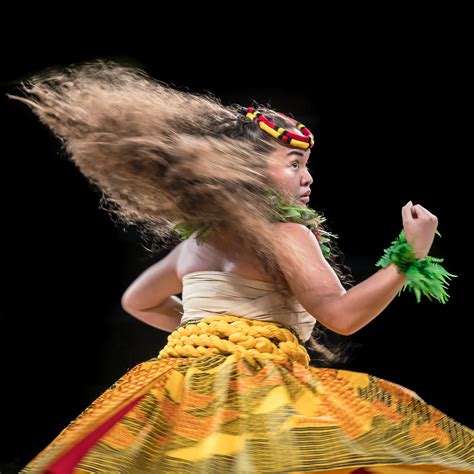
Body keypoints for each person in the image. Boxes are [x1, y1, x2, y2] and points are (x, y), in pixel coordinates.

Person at [9, 60, 472, 473]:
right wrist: (411, 254)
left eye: (307, 164)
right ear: (246, 171)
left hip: (176, 388)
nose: (307, 177)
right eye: (294, 163)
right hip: (256, 388)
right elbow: (342, 316)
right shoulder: (286, 233)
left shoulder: (197, 239)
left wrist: (211, 333)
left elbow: (139, 300)